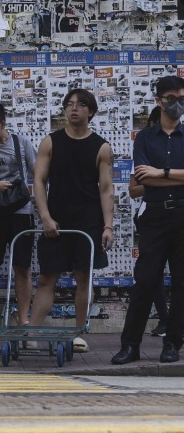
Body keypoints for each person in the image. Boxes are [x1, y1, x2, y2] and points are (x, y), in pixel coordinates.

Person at [29, 88, 114, 355]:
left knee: (83, 278)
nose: (73, 109)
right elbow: (39, 181)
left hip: (88, 220)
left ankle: (79, 333)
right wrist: (45, 217)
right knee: (46, 278)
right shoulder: (50, 142)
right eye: (69, 104)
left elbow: (106, 188)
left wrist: (108, 225)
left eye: (80, 105)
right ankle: (31, 334)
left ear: (91, 111)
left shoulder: (101, 147)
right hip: (56, 218)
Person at [114, 77, 184, 364]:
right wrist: (170, 175)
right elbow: (142, 177)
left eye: (181, 96)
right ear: (158, 101)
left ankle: (173, 345)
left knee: (181, 284)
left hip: (182, 215)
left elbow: (154, 176)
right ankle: (130, 346)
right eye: (170, 97)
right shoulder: (144, 137)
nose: (176, 103)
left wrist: (162, 173)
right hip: (154, 216)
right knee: (145, 281)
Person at [0, 102, 36, 331]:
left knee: (23, 267)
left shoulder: (22, 144)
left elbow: (38, 174)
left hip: (21, 211)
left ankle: (23, 319)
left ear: (3, 124)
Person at [125, 107, 169, 341]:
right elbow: (133, 190)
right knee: (152, 273)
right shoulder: (144, 148)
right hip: (151, 215)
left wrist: (160, 175)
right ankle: (163, 320)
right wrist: (165, 179)